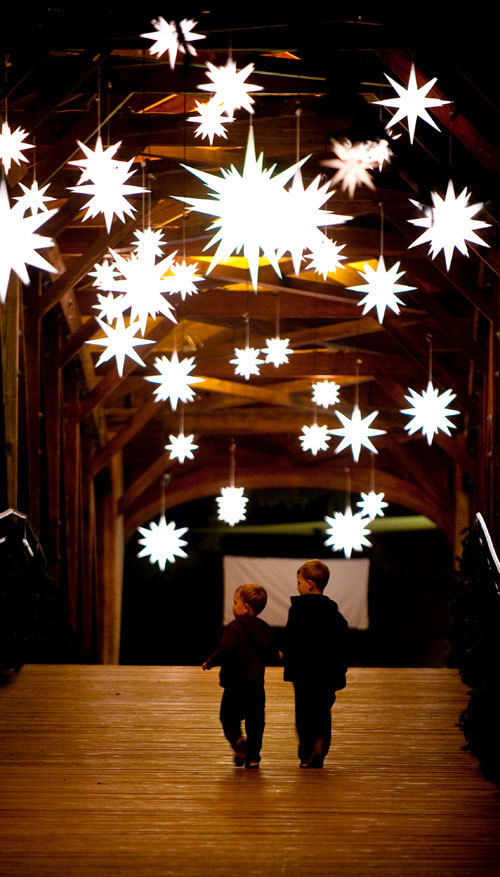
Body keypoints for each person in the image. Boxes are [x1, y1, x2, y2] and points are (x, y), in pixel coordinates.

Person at [282, 559, 349, 769]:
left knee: (304, 711)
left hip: (303, 671)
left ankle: (305, 752)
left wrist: (284, 654)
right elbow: (342, 640)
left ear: (309, 584)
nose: (297, 586)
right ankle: (320, 745)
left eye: (299, 582)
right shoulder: (333, 612)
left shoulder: (298, 610)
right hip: (327, 671)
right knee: (322, 710)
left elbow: (290, 637)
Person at [202, 583, 276, 769]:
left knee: (228, 717)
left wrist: (210, 662)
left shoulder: (233, 628)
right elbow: (270, 651)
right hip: (256, 686)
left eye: (235, 602)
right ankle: (253, 758)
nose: (232, 605)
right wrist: (278, 656)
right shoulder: (264, 628)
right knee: (256, 723)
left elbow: (225, 648)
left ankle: (238, 742)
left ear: (245, 608)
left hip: (234, 685)